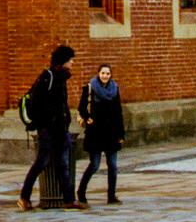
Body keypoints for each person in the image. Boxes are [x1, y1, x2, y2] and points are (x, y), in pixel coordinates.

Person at [19, 45, 83, 211]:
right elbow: (36, 102)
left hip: (60, 129)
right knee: (41, 162)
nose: (73, 62)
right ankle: (24, 197)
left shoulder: (62, 78)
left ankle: (69, 199)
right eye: (71, 60)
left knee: (63, 163)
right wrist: (46, 122)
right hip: (47, 130)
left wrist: (65, 121)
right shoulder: (48, 77)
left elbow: (61, 105)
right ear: (63, 61)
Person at [77, 64, 125, 204]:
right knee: (95, 164)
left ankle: (111, 195)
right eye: (103, 73)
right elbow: (81, 106)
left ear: (111, 75)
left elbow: (118, 112)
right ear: (98, 73)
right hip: (95, 132)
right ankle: (81, 191)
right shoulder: (90, 88)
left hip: (111, 132)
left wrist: (120, 133)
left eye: (108, 74)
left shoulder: (114, 89)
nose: (105, 76)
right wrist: (87, 117)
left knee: (113, 165)